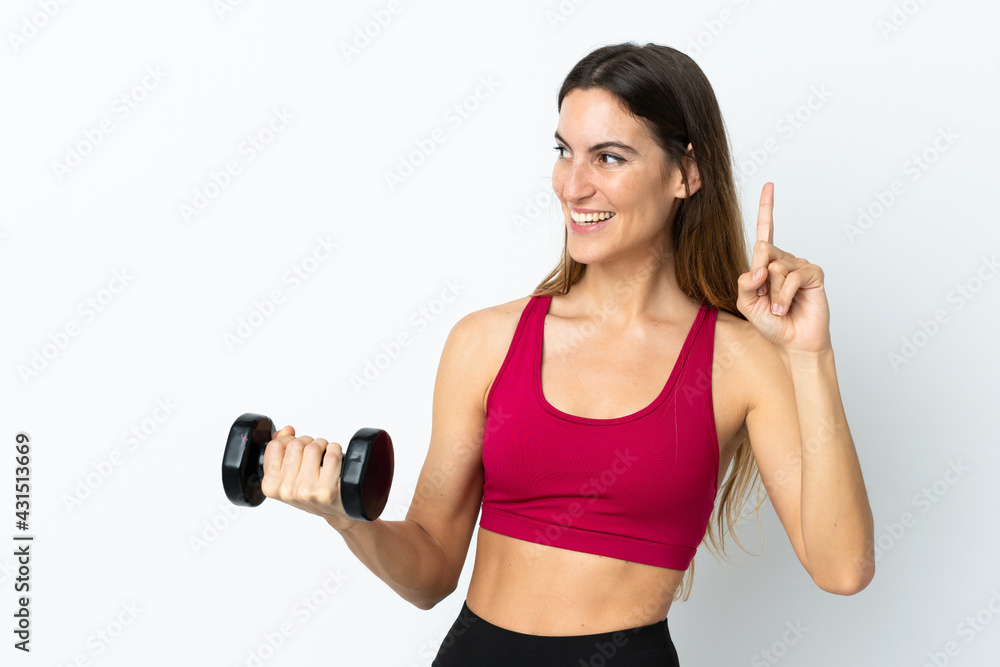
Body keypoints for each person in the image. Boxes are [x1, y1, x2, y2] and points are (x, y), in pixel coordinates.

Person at [259, 42, 875, 666]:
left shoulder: (741, 360)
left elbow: (841, 567)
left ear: (687, 173)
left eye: (609, 157)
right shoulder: (487, 342)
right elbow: (429, 572)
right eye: (564, 152)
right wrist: (347, 518)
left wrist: (810, 356)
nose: (574, 186)